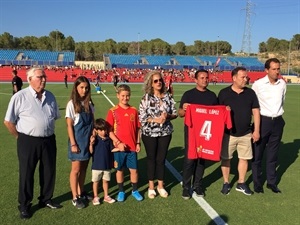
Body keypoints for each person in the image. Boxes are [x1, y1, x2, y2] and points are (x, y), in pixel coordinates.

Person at [4, 67, 62, 220]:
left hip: (49, 139)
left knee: (49, 171)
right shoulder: (20, 96)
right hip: (27, 141)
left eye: (44, 77)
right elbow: (8, 121)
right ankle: (24, 204)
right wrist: (19, 138)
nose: (44, 79)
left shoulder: (50, 96)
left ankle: (46, 199)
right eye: (40, 77)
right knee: (27, 173)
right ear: (29, 79)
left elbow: (54, 116)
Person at [218, 67, 260, 196]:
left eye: (246, 77)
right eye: (243, 77)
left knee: (244, 158)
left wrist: (256, 130)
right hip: (228, 133)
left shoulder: (250, 93)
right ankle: (226, 182)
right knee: (226, 158)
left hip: (246, 133)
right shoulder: (223, 93)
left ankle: (241, 183)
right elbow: (217, 112)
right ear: (234, 78)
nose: (246, 79)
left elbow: (256, 112)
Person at [178, 69, 218, 199]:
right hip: (191, 132)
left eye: (206, 77)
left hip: (206, 133)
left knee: (202, 159)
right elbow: (180, 114)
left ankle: (198, 185)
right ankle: (186, 186)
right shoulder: (188, 95)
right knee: (190, 160)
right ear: (195, 80)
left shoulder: (212, 96)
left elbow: (217, 114)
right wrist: (183, 109)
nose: (205, 80)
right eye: (202, 78)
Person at [139, 70, 177, 199]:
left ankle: (160, 185)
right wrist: (155, 119)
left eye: (160, 80)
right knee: (151, 159)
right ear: (151, 83)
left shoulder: (168, 97)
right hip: (149, 133)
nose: (159, 82)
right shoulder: (146, 98)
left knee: (161, 160)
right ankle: (151, 187)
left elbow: (175, 113)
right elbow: (142, 117)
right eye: (155, 81)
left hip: (165, 132)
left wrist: (168, 116)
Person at [251, 58, 286, 194]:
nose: (277, 72)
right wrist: (256, 128)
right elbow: (253, 105)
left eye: (278, 69)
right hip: (262, 122)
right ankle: (257, 183)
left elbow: (282, 101)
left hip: (277, 121)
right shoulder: (258, 84)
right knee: (257, 154)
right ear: (266, 70)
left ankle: (271, 182)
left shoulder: (282, 84)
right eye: (274, 69)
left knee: (273, 155)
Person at [106, 84, 143, 202]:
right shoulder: (112, 111)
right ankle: (121, 191)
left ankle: (135, 190)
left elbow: (138, 129)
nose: (125, 98)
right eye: (122, 96)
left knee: (134, 170)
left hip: (132, 147)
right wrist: (118, 142)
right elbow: (109, 131)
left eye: (127, 96)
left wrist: (138, 143)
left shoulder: (134, 110)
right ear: (118, 96)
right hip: (119, 148)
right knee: (120, 170)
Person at [65, 76, 95, 209]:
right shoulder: (72, 104)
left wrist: (93, 136)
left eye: (86, 88)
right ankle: (74, 197)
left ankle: (81, 191)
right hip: (77, 141)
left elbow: (92, 123)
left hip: (88, 142)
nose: (84, 90)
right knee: (76, 170)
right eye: (81, 87)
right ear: (76, 88)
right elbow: (69, 125)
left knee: (83, 169)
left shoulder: (90, 104)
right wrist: (73, 143)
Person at [89, 118, 117, 205]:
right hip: (96, 166)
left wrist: (119, 148)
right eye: (101, 130)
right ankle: (96, 196)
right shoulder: (95, 140)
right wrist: (91, 144)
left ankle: (106, 196)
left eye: (104, 129)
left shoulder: (108, 139)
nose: (103, 132)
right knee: (96, 182)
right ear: (96, 130)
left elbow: (112, 150)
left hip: (106, 165)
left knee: (106, 181)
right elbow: (91, 151)